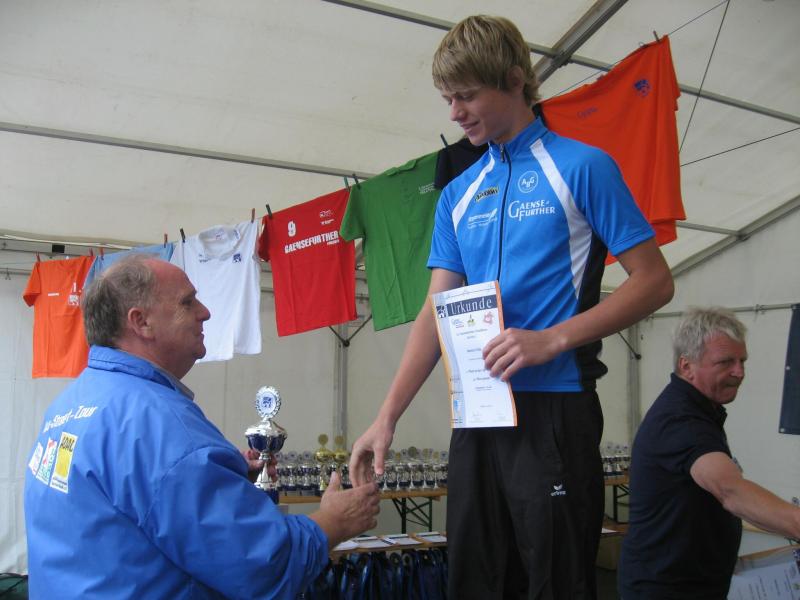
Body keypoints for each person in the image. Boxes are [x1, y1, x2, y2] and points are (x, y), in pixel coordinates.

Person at [348, 14, 674, 600]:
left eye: (468, 95)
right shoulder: (458, 193)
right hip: (478, 415)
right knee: (477, 580)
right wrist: (386, 417)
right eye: (448, 99)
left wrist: (551, 339)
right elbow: (435, 312)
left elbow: (653, 282)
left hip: (555, 412)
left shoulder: (582, 166)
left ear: (516, 80)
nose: (455, 113)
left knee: (555, 582)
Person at [24, 255, 380, 599]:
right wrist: (333, 521)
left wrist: (217, 479)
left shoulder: (70, 405)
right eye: (187, 302)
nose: (205, 312)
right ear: (141, 322)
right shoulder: (161, 425)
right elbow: (263, 565)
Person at [618, 307, 800, 599]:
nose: (739, 372)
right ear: (686, 366)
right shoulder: (680, 421)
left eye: (742, 361)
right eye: (726, 362)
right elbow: (731, 491)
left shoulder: (699, 411)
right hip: (667, 590)